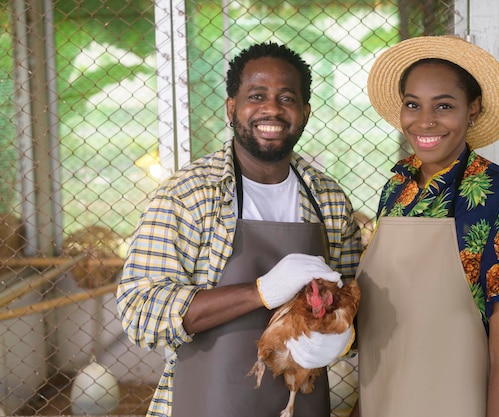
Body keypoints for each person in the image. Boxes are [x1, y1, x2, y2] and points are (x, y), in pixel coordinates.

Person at [116, 41, 362, 417]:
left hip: (301, 401)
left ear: (306, 112)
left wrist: (338, 331)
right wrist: (259, 291)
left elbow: (349, 302)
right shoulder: (189, 195)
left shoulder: (327, 199)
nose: (272, 109)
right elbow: (140, 310)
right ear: (232, 108)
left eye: (287, 98)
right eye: (257, 95)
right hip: (207, 402)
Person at [351, 36, 499, 417]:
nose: (424, 121)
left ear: (472, 110)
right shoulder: (396, 188)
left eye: (444, 105)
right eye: (412, 105)